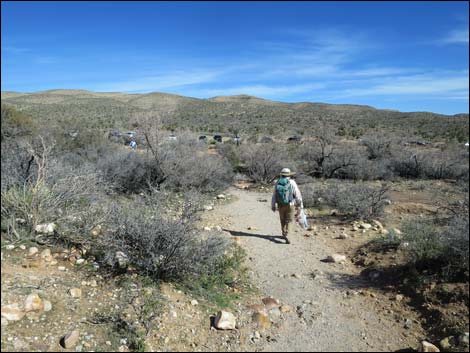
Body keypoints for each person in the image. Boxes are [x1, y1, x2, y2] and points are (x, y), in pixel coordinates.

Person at [271, 168, 303, 244]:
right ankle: (287, 234)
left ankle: (284, 232)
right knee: (290, 220)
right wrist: (300, 205)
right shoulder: (292, 182)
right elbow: (297, 194)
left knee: (282, 219)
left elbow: (274, 195)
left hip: (280, 204)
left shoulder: (277, 182)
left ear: (281, 174)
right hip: (290, 204)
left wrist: (273, 205)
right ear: (289, 175)